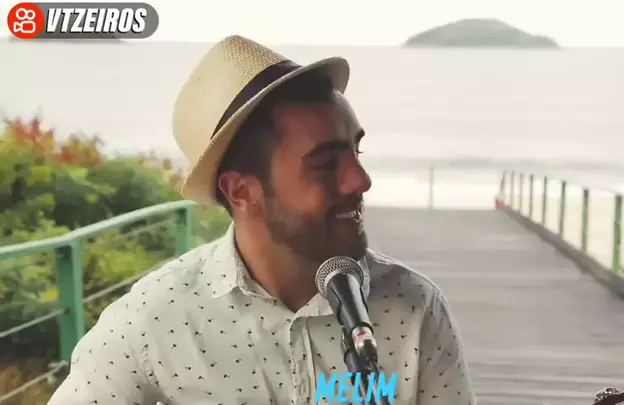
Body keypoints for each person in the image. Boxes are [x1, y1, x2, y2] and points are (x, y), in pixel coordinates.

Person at [47, 35, 475, 405]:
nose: (360, 180)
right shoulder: (154, 317)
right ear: (240, 191)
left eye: (355, 151)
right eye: (326, 164)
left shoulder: (415, 309)